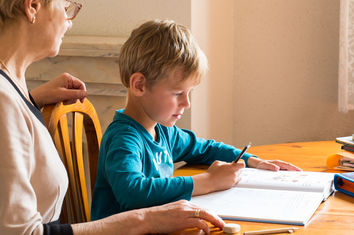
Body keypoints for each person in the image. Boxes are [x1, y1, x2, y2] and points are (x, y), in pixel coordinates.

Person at [0, 0, 226, 234]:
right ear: (34, 3)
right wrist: (147, 219)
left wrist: (31, 101)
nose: (70, 20)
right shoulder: (4, 101)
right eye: (67, 5)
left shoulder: (13, 90)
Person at [91, 19, 302, 220]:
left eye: (189, 93)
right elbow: (132, 193)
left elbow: (204, 148)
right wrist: (208, 181)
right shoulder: (124, 139)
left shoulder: (163, 132)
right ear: (139, 85)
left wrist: (252, 161)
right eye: (177, 93)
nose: (187, 103)